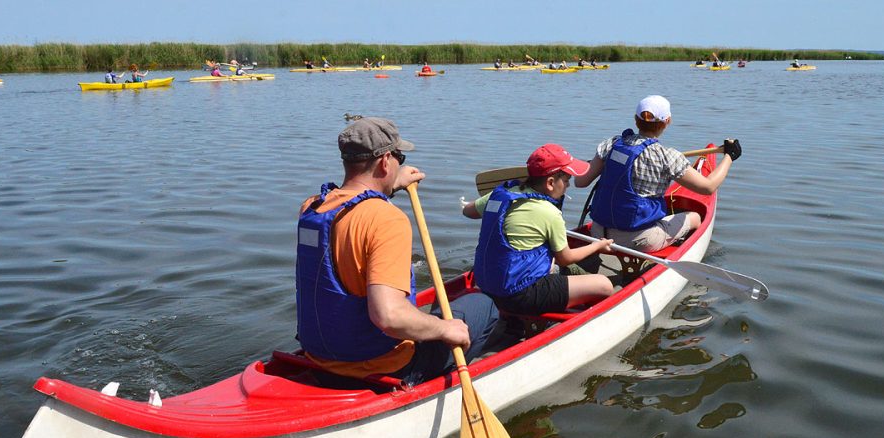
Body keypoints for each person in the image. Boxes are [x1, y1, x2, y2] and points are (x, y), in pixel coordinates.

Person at [296, 117, 498, 387]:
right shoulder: (387, 220)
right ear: (385, 161)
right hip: (384, 366)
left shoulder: (312, 207)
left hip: (320, 357)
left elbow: (354, 207)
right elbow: (388, 316)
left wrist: (391, 184)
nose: (400, 164)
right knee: (483, 305)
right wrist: (445, 329)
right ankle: (447, 378)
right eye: (399, 158)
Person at [574, 95, 742, 252]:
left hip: (598, 234)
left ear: (635, 120)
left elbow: (579, 182)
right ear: (667, 121)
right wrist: (729, 156)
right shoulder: (667, 156)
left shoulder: (611, 144)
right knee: (695, 217)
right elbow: (708, 187)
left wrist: (601, 164)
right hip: (639, 241)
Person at [462, 144, 615, 316]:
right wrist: (597, 246)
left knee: (547, 261)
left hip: (486, 286)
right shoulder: (550, 212)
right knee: (604, 285)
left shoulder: (499, 195)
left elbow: (467, 211)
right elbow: (566, 258)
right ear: (550, 183)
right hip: (520, 295)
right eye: (565, 180)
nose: (568, 186)